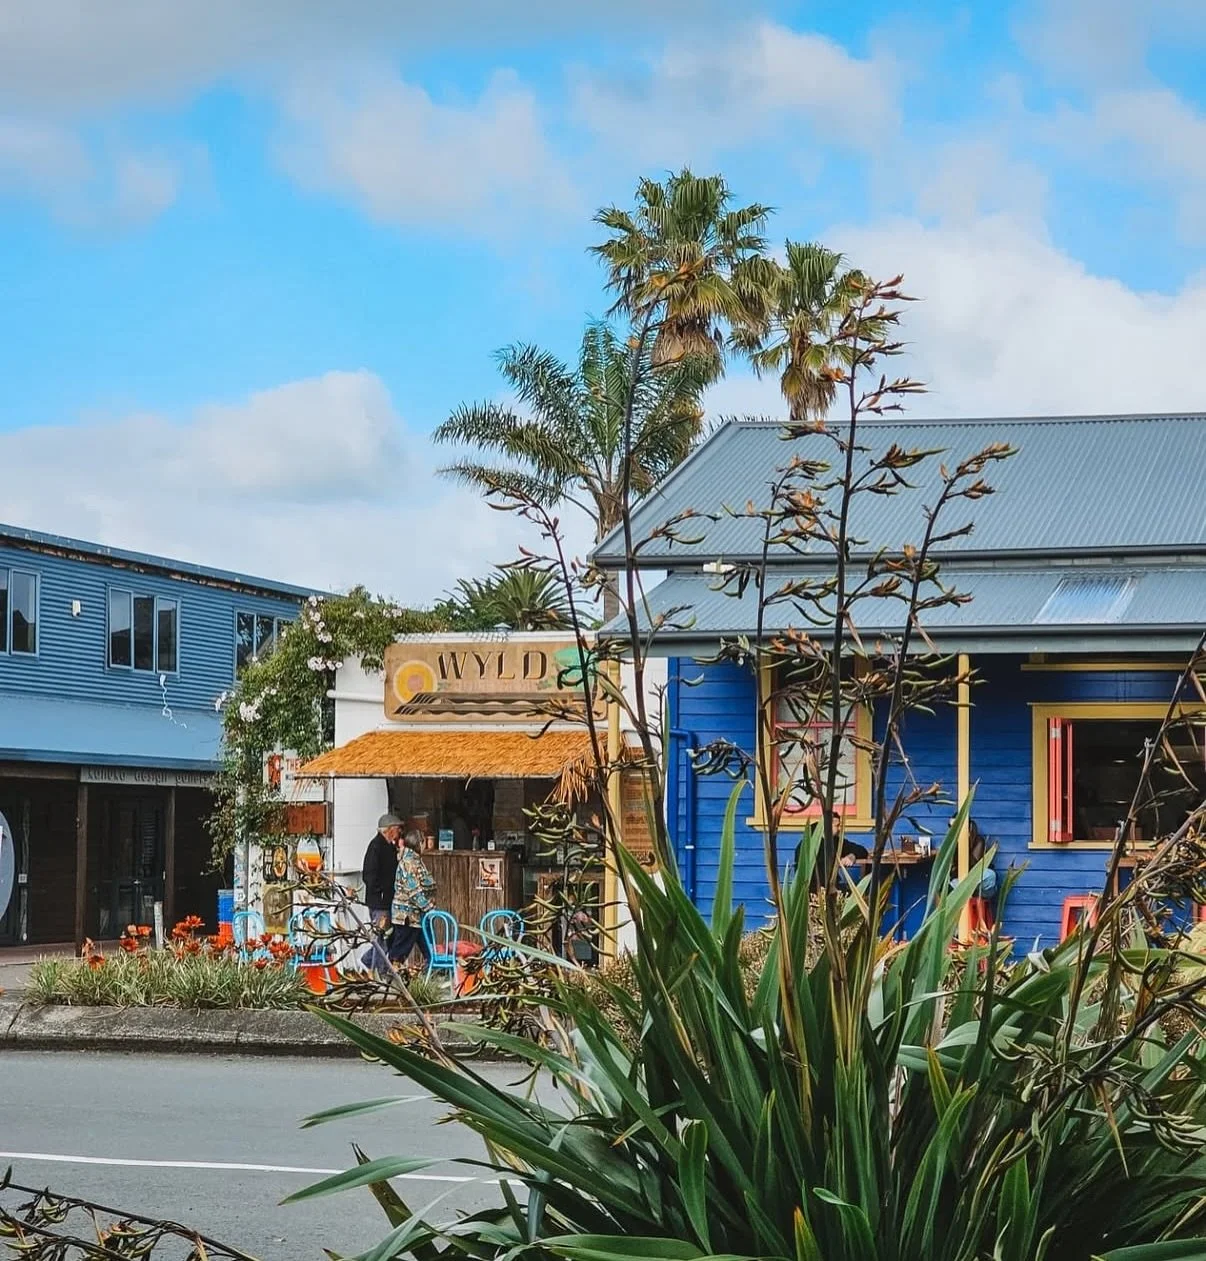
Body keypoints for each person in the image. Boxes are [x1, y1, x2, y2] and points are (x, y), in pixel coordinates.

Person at [360, 812, 402, 975]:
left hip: (387, 900)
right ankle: (377, 972)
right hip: (379, 902)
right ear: (389, 830)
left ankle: (368, 961)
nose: (399, 832)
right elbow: (369, 875)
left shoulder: (389, 847)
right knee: (382, 938)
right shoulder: (376, 846)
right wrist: (381, 893)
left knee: (388, 938)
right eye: (397, 829)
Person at [389, 829, 437, 968]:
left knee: (427, 947)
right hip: (408, 916)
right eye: (423, 842)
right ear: (419, 843)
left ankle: (432, 972)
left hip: (417, 916)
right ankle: (391, 976)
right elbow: (414, 890)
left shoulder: (415, 860)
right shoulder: (409, 862)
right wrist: (428, 907)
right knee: (400, 950)